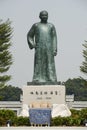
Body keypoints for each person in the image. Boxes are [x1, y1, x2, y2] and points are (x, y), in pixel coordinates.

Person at [27, 10, 57, 83]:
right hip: (39, 47)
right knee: (38, 63)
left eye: (46, 15)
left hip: (49, 48)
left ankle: (51, 78)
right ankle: (37, 78)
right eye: (43, 15)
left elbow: (54, 38)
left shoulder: (51, 26)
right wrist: (32, 44)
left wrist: (55, 48)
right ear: (39, 16)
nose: (44, 17)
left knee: (49, 63)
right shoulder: (36, 25)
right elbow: (29, 35)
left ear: (48, 16)